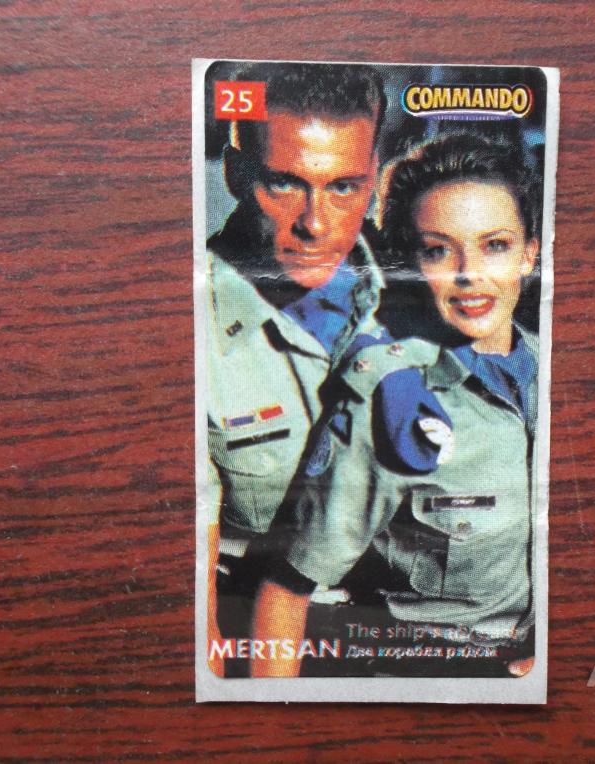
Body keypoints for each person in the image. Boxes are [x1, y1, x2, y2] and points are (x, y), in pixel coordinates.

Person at [250, 132, 541, 678]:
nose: (469, 274)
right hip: (422, 680)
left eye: (495, 245)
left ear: (531, 253)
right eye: (437, 250)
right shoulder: (389, 397)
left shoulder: (558, 373)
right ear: (410, 262)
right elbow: (285, 595)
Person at [204, 63, 388, 676]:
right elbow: (199, 630)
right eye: (284, 184)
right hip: (260, 640)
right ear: (237, 175)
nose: (316, 223)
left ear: (375, 178)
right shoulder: (192, 327)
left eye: (344, 187)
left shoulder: (441, 294)